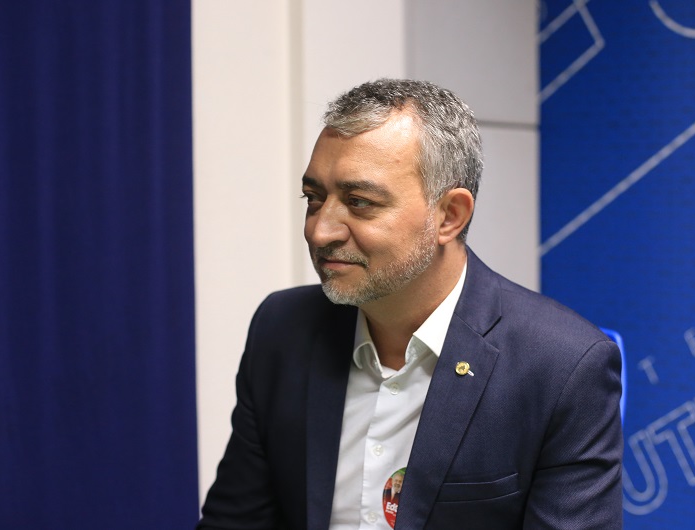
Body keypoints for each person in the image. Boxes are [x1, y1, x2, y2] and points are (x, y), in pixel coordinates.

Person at [197, 79, 623, 529]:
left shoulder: (561, 365)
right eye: (314, 199)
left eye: (359, 203)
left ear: (449, 216)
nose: (320, 231)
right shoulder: (283, 330)